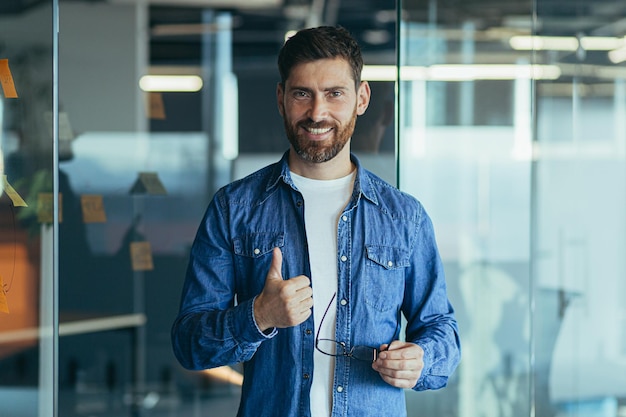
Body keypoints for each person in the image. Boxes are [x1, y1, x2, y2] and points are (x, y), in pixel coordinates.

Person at [171, 26, 461, 417]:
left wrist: (421, 359)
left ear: (361, 98)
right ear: (281, 99)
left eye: (334, 94)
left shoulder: (403, 216)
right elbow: (190, 344)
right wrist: (258, 316)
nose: (317, 113)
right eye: (302, 94)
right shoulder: (234, 208)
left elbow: (442, 328)